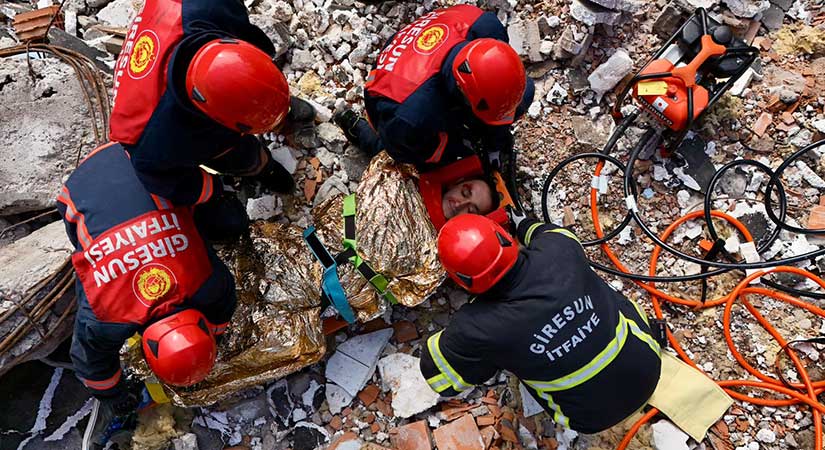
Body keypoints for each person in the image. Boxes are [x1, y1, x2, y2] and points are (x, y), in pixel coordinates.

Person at [56, 143, 239, 450]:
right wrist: (113, 394)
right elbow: (88, 362)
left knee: (221, 225)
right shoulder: (107, 317)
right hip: (77, 191)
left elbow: (222, 312)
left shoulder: (204, 283)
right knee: (89, 273)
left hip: (135, 157)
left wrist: (116, 395)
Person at [420, 213, 662, 433]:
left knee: (512, 356)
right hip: (649, 368)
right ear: (505, 237)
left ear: (459, 281)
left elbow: (441, 381)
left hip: (589, 419)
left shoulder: (477, 328)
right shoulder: (561, 248)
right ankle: (652, 332)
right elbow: (545, 231)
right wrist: (522, 223)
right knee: (604, 293)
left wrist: (463, 339)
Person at [109, 0, 315, 206]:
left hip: (183, 25)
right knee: (240, 157)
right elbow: (163, 180)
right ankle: (262, 168)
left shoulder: (207, 7)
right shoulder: (154, 141)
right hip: (163, 116)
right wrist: (214, 188)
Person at [334, 4, 535, 170]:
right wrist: (460, 150)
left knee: (523, 95)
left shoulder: (486, 27)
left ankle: (489, 133)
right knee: (413, 160)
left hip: (424, 52)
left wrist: (494, 142)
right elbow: (400, 144)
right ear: (462, 92)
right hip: (391, 96)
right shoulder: (410, 117)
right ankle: (355, 127)